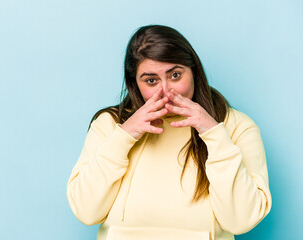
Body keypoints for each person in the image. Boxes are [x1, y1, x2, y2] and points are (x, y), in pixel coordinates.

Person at [66, 25, 272, 240]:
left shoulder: (236, 127)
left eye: (175, 75)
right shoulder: (110, 125)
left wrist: (215, 135)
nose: (166, 91)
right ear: (135, 84)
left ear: (194, 72)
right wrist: (123, 137)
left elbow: (241, 221)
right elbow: (86, 212)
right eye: (151, 81)